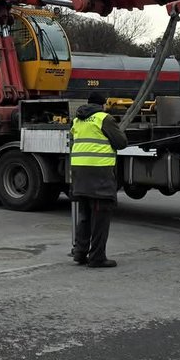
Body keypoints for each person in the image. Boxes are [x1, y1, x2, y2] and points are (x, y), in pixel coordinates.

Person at [70, 90, 129, 268]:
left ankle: (80, 253)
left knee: (85, 215)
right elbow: (121, 143)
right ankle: (97, 257)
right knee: (101, 217)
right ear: (102, 105)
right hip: (99, 173)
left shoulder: (77, 119)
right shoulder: (104, 118)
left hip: (80, 173)